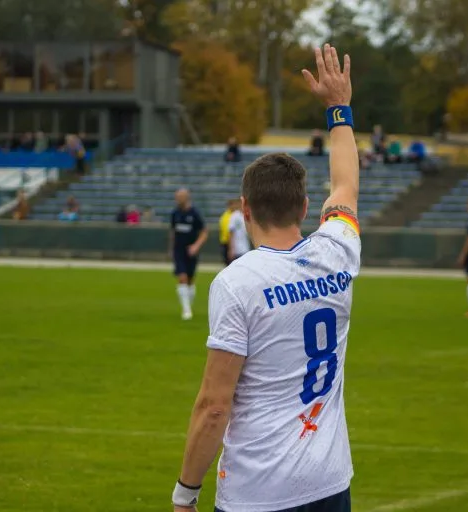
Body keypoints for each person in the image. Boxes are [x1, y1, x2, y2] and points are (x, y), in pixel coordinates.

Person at [172, 44, 358, 512]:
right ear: (303, 207)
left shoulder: (237, 282)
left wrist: (185, 493)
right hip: (331, 482)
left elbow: (215, 406)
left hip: (259, 491)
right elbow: (345, 185)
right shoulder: (338, 251)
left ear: (246, 209)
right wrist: (339, 109)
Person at [169, 188, 208, 320]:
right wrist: (171, 248)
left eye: (180, 197)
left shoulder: (194, 213)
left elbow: (204, 232)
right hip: (179, 251)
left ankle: (188, 305)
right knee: (182, 278)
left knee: (190, 280)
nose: (178, 199)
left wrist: (196, 246)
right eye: (177, 197)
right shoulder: (175, 213)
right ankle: (186, 310)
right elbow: (173, 231)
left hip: (191, 252)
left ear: (187, 197)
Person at [218, 199, 236, 265]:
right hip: (227, 242)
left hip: (228, 242)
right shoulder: (227, 216)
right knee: (229, 262)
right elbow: (227, 231)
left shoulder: (232, 215)